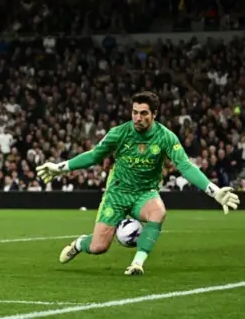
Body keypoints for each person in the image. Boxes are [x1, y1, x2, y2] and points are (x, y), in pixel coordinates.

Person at [36, 91, 240, 276]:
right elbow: (94, 156)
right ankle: (80, 243)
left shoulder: (165, 137)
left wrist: (214, 191)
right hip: (116, 194)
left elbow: (185, 166)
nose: (138, 118)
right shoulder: (119, 133)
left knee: (158, 212)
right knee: (99, 246)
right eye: (135, 112)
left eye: (143, 113)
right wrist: (60, 168)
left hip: (144, 193)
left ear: (154, 114)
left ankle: (137, 263)